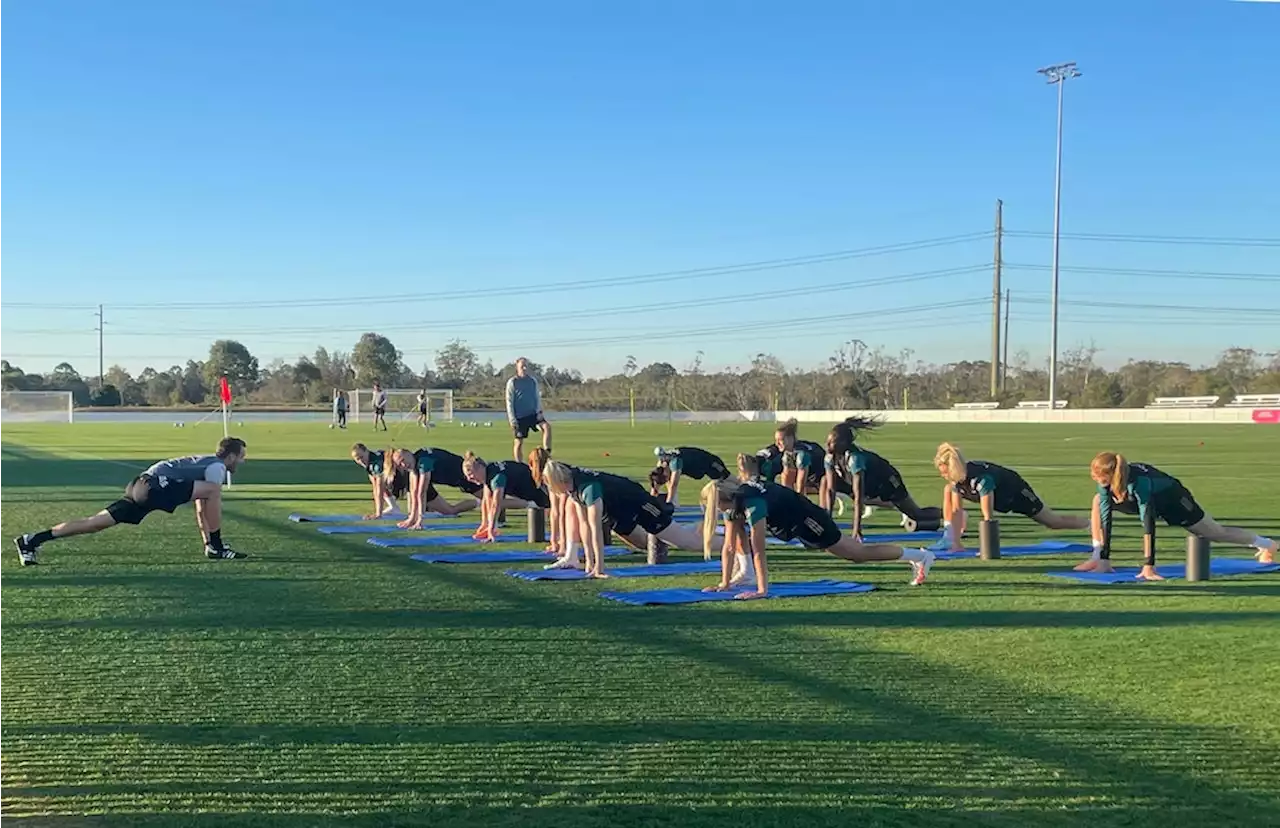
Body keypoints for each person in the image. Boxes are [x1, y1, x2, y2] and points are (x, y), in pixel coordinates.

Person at [13, 437, 250, 565]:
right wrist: (214, 544)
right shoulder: (217, 467)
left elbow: (202, 509)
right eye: (241, 457)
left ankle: (31, 540)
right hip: (156, 485)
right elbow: (210, 497)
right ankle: (218, 547)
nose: (242, 462)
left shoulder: (205, 467)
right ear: (230, 456)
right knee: (213, 491)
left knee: (95, 523)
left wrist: (206, 542)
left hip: (141, 485)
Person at [700, 478, 935, 599]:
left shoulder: (753, 505)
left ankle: (919, 556)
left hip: (807, 518)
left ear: (721, 501)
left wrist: (762, 590)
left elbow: (759, 548)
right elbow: (729, 548)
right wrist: (724, 584)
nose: (720, 514)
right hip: (790, 518)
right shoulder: (734, 502)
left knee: (855, 554)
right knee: (736, 528)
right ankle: (745, 574)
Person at [1077, 452, 1277, 579]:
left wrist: (1149, 566)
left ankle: (1266, 544)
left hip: (1174, 501)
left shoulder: (1140, 484)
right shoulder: (1105, 482)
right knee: (1097, 501)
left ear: (1112, 475)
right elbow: (1105, 517)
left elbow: (1148, 526)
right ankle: (1097, 558)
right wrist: (1104, 558)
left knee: (1215, 533)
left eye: (1098, 477)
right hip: (1137, 497)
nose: (1095, 480)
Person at [536, 460, 707, 577]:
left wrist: (599, 568)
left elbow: (595, 530)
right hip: (618, 511)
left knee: (687, 542)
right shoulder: (572, 486)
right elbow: (584, 526)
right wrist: (589, 562)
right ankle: (696, 529)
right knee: (642, 544)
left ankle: (726, 544)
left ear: (557, 481)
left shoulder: (589, 489)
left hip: (639, 504)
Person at [933, 442, 1089, 552]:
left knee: (1053, 522)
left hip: (1015, 493)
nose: (942, 475)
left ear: (954, 468)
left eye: (945, 472)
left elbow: (988, 517)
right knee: (948, 490)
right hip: (991, 494)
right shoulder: (956, 480)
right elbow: (956, 510)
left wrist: (988, 549)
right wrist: (957, 544)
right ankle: (949, 538)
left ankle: (1090, 525)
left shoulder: (982, 480)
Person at [825, 417, 942, 540]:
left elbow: (858, 496)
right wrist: (827, 523)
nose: (827, 445)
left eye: (832, 442)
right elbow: (830, 490)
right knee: (825, 481)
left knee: (916, 514)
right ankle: (894, 506)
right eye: (828, 441)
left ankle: (951, 515)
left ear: (844, 443)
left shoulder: (855, 459)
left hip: (888, 480)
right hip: (872, 485)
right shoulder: (829, 458)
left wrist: (856, 529)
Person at [386, 447, 483, 530]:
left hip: (462, 475)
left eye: (403, 460)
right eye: (399, 465)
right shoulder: (413, 466)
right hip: (449, 478)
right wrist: (411, 519)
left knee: (487, 497)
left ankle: (482, 503)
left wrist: (420, 519)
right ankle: (479, 503)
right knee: (449, 512)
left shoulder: (424, 461)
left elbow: (422, 492)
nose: (403, 465)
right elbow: (414, 492)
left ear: (409, 454)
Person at [462, 453, 551, 542]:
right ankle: (532, 504)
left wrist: (491, 529)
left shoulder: (496, 478)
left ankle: (532, 504)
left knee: (552, 510)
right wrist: (484, 524)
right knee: (492, 501)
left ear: (480, 468)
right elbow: (486, 499)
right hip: (527, 485)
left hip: (537, 491)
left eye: (470, 474)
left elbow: (496, 504)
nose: (469, 479)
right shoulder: (489, 471)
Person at [649, 446, 730, 506]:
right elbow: (655, 486)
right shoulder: (661, 465)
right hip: (698, 468)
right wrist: (650, 502)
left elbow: (674, 485)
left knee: (728, 480)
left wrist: (668, 504)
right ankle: (675, 503)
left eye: (665, 478)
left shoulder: (675, 462)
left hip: (709, 462)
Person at [505, 357, 551, 461]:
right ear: (517, 367)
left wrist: (539, 412)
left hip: (533, 415)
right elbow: (509, 402)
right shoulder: (512, 382)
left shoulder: (532, 381)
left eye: (526, 366)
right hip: (520, 417)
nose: (524, 368)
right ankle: (519, 464)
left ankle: (547, 455)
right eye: (522, 366)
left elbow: (536, 397)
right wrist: (512, 420)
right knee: (519, 442)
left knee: (546, 427)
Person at [349, 443, 407, 518]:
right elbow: (374, 486)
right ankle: (393, 506)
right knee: (378, 485)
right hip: (396, 477)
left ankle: (395, 508)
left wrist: (378, 514)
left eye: (362, 457)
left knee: (382, 484)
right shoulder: (369, 462)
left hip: (402, 479)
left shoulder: (376, 464)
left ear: (366, 451)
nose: (361, 461)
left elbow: (379, 488)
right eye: (357, 459)